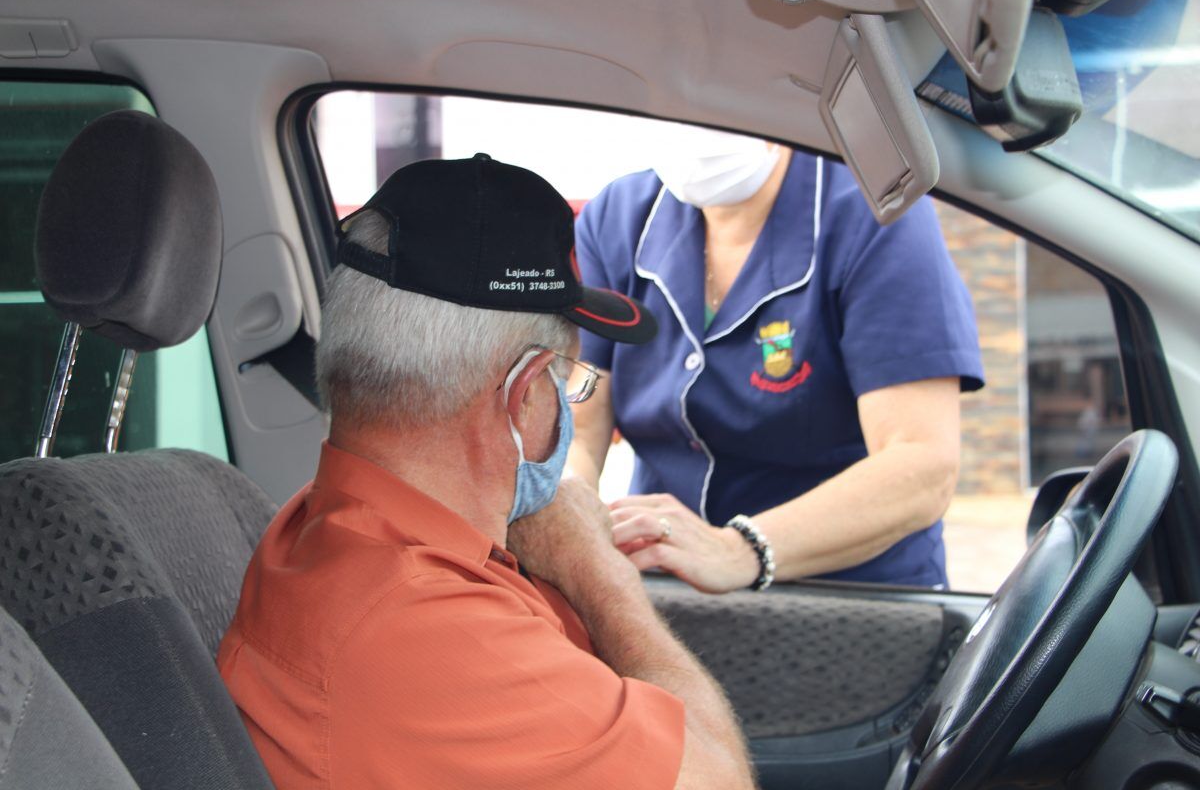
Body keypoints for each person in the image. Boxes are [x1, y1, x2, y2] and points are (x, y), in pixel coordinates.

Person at [217, 154, 756, 790]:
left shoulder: (324, 523)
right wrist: (599, 571)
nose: (564, 401)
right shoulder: (432, 635)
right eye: (568, 382)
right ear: (524, 394)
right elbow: (721, 779)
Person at [567, 125, 984, 592]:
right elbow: (579, 431)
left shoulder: (875, 212)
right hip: (666, 582)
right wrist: (567, 517)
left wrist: (739, 548)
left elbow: (922, 463)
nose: (696, 125)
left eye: (719, 98)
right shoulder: (617, 219)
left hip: (847, 596)